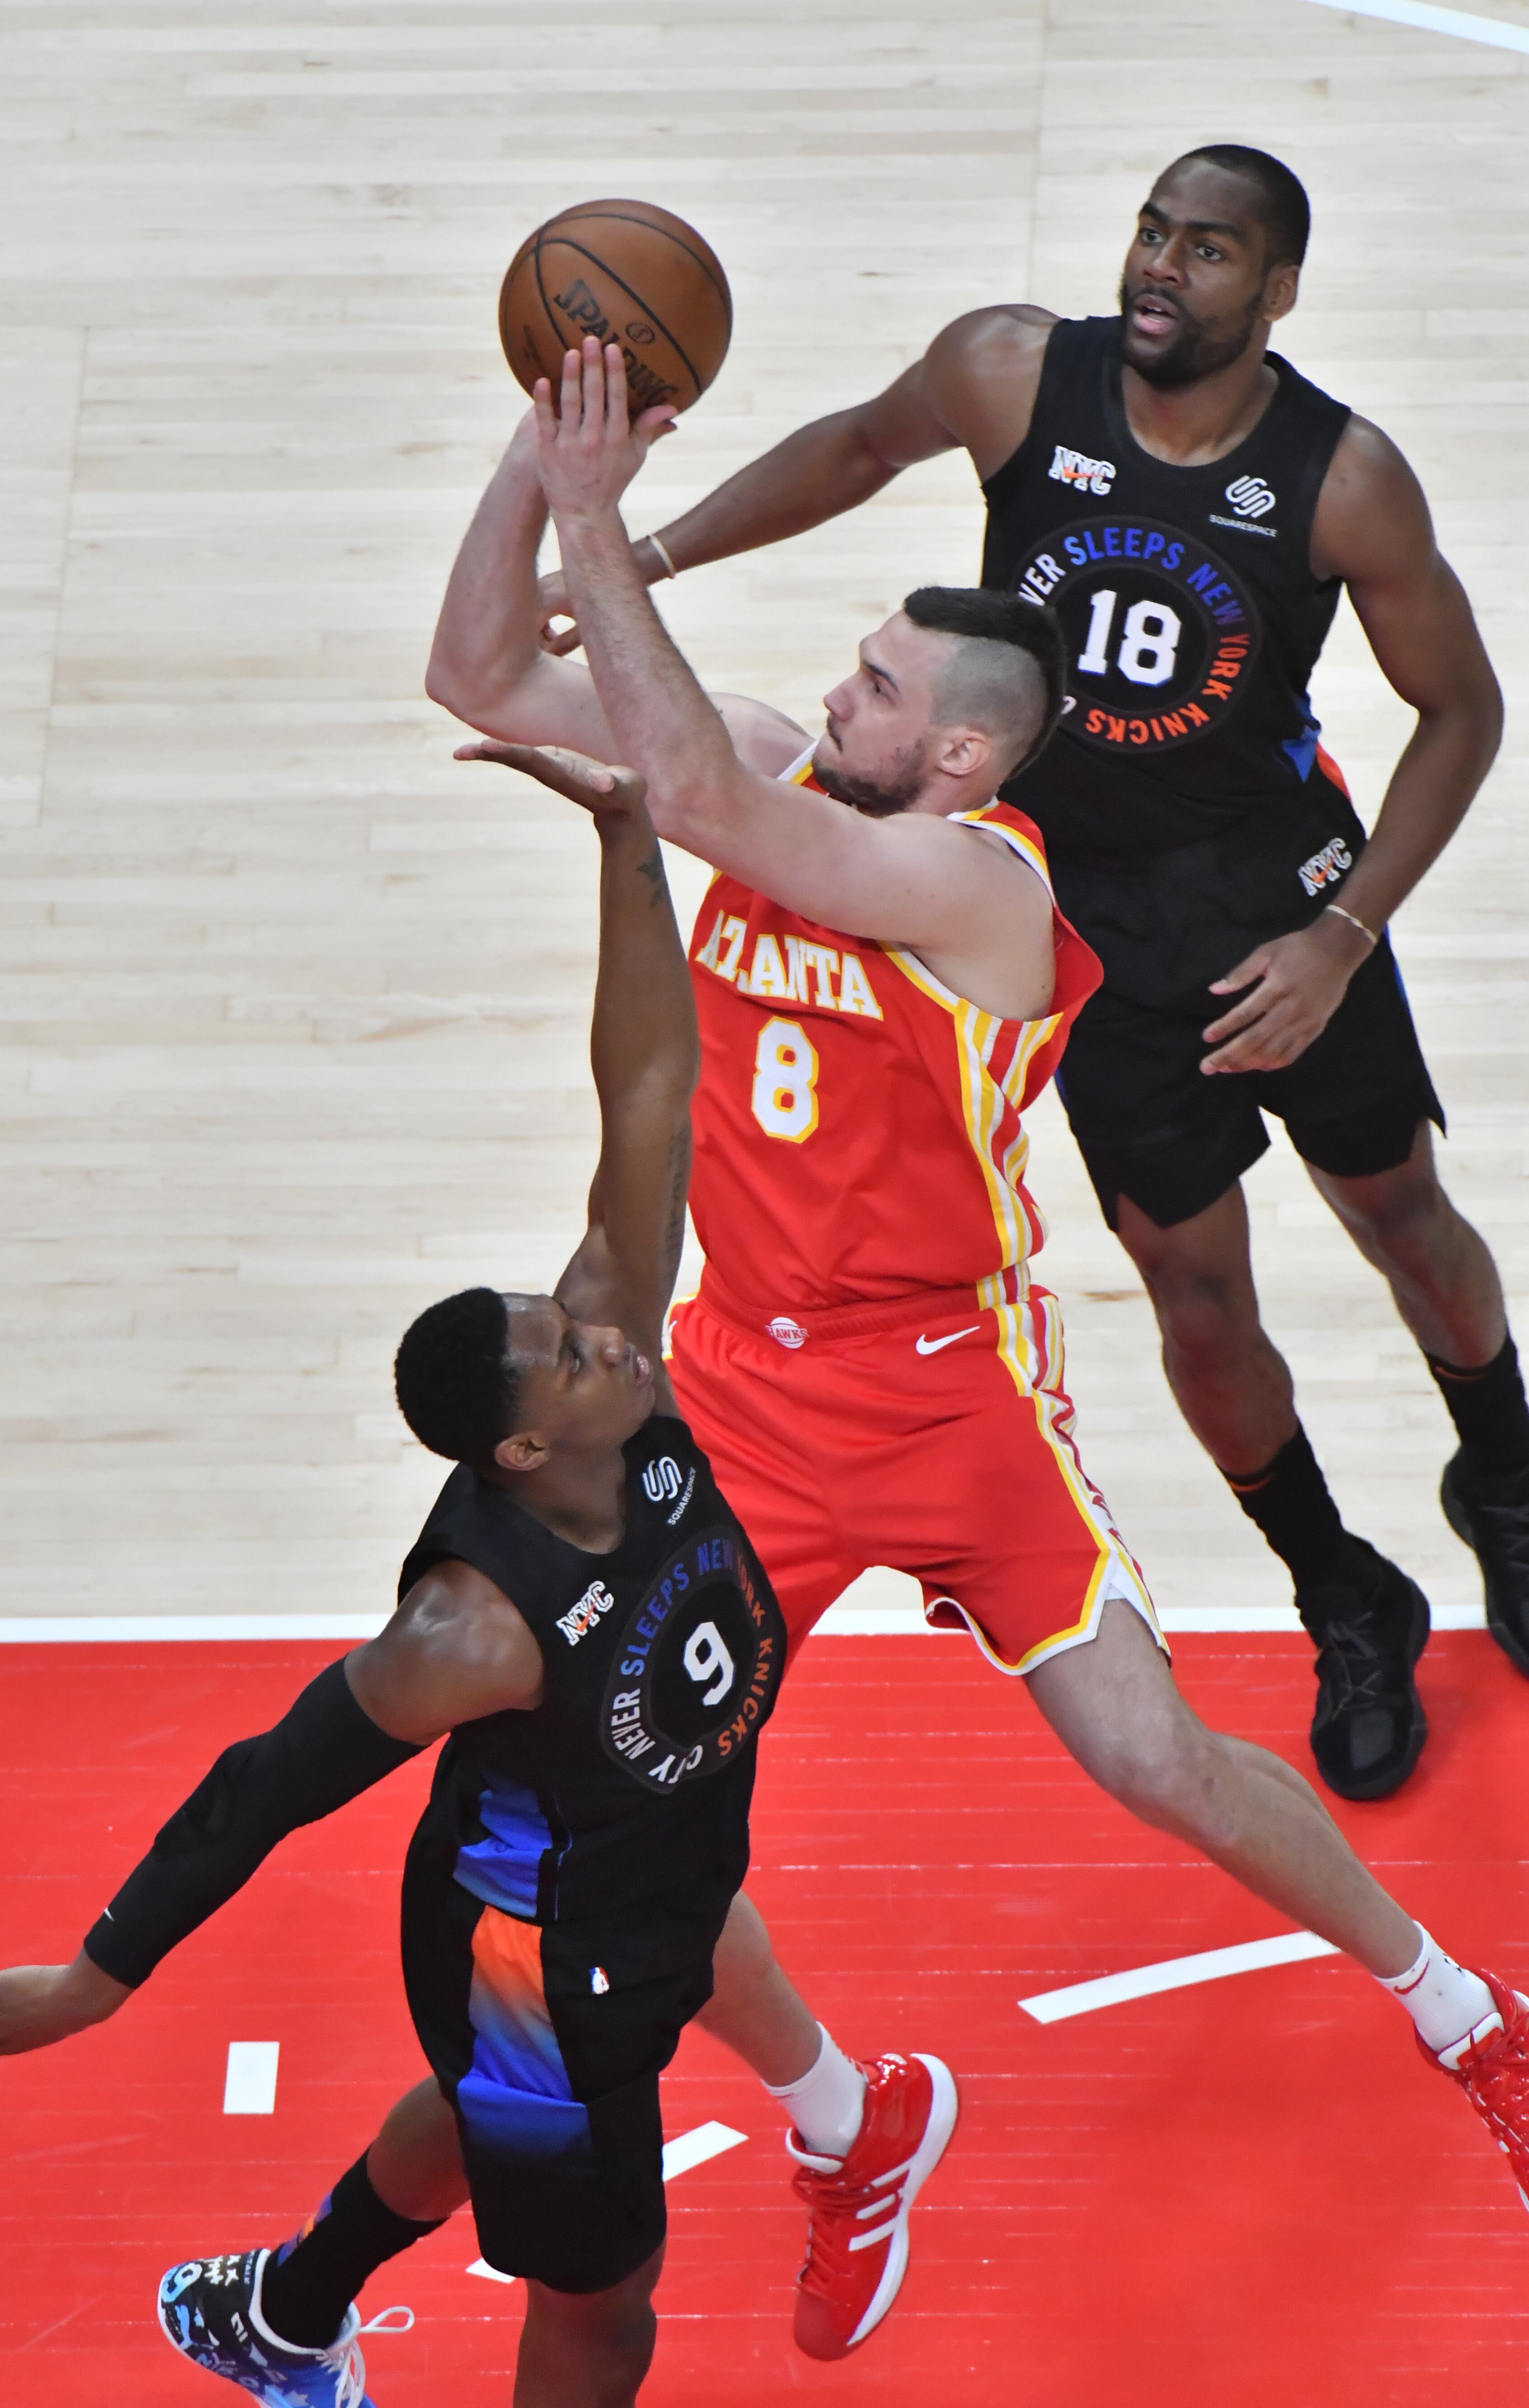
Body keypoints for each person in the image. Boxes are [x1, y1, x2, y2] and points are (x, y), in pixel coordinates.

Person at [423, 332, 1529, 2262]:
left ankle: (1468, 2015)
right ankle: (848, 2124)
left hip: (948, 1391)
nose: (832, 689)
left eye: (874, 682)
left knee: (1147, 1756)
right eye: (850, 664)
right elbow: (478, 671)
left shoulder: (979, 889)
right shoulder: (781, 765)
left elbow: (689, 783)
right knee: (627, 1799)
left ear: (954, 752)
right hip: (734, 1395)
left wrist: (605, 520)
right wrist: (537, 458)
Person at [0, 739, 956, 2406]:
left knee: (484, 2125)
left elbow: (648, 1099)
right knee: (605, 2300)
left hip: (654, 1890)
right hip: (537, 1960)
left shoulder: (631, 1393)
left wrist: (629, 841)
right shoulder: (472, 1625)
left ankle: (291, 2312)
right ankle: (298, 2314)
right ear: (522, 1452)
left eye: (575, 1323)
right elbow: (271, 1783)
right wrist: (93, 1983)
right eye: (571, 1356)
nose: (608, 1334)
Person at [534, 143, 1524, 1806]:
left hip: (1280, 898)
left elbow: (1467, 711)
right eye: (1153, 232)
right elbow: (857, 446)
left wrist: (1343, 935)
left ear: (1276, 291)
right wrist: (657, 555)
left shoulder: (1342, 475)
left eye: (1209, 252)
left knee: (1403, 1218)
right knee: (1199, 1302)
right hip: (1076, 926)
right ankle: (1341, 1591)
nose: (1162, 267)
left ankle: (1501, 1470)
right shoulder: (1014, 370)